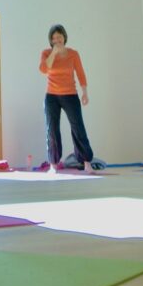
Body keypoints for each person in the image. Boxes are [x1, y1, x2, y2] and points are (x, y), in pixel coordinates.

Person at [40, 25, 96, 174]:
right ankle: (53, 164)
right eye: (54, 38)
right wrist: (54, 53)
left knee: (78, 128)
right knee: (52, 129)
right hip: (51, 96)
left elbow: (80, 73)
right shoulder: (46, 53)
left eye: (59, 36)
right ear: (51, 40)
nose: (57, 40)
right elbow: (44, 70)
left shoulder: (73, 54)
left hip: (70, 95)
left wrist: (85, 92)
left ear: (64, 37)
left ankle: (86, 163)